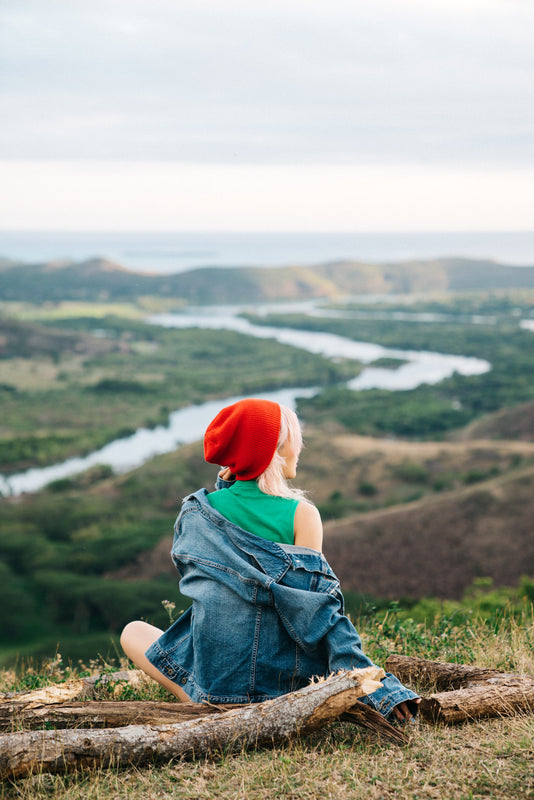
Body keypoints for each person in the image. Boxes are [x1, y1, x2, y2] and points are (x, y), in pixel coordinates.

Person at [121, 398, 420, 723]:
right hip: (284, 690)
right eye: (293, 441)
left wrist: (227, 486)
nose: (299, 448)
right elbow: (316, 609)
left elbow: (223, 555)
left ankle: (206, 703)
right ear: (272, 452)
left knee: (133, 632)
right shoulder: (301, 516)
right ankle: (242, 709)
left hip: (216, 684)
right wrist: (373, 683)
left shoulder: (195, 514)